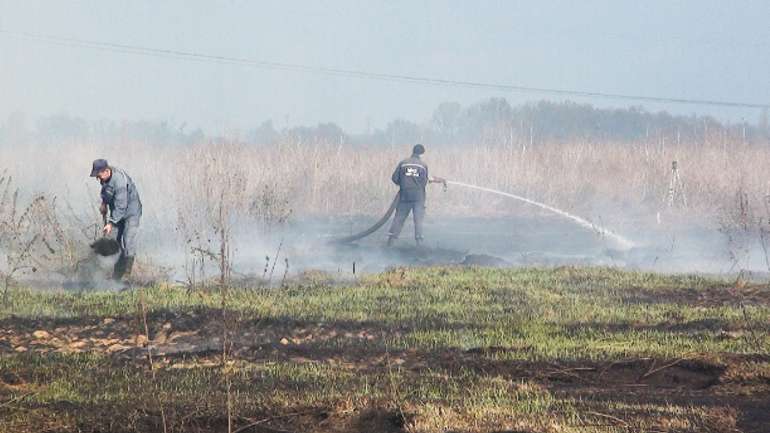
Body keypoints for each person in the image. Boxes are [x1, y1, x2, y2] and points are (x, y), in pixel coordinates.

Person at [90, 159, 142, 282]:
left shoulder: (120, 182)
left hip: (131, 213)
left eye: (99, 175)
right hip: (117, 213)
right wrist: (104, 203)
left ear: (106, 171)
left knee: (128, 240)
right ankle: (117, 274)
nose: (98, 178)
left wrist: (111, 223)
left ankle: (127, 274)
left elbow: (122, 205)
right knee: (114, 241)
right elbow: (106, 192)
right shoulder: (104, 179)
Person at [387, 144, 445, 247]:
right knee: (418, 220)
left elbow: (395, 178)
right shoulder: (422, 165)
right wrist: (441, 180)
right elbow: (428, 179)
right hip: (418, 197)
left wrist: (404, 183)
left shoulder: (403, 163)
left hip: (404, 196)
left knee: (399, 218)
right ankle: (419, 245)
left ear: (413, 152)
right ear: (422, 154)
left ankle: (390, 243)